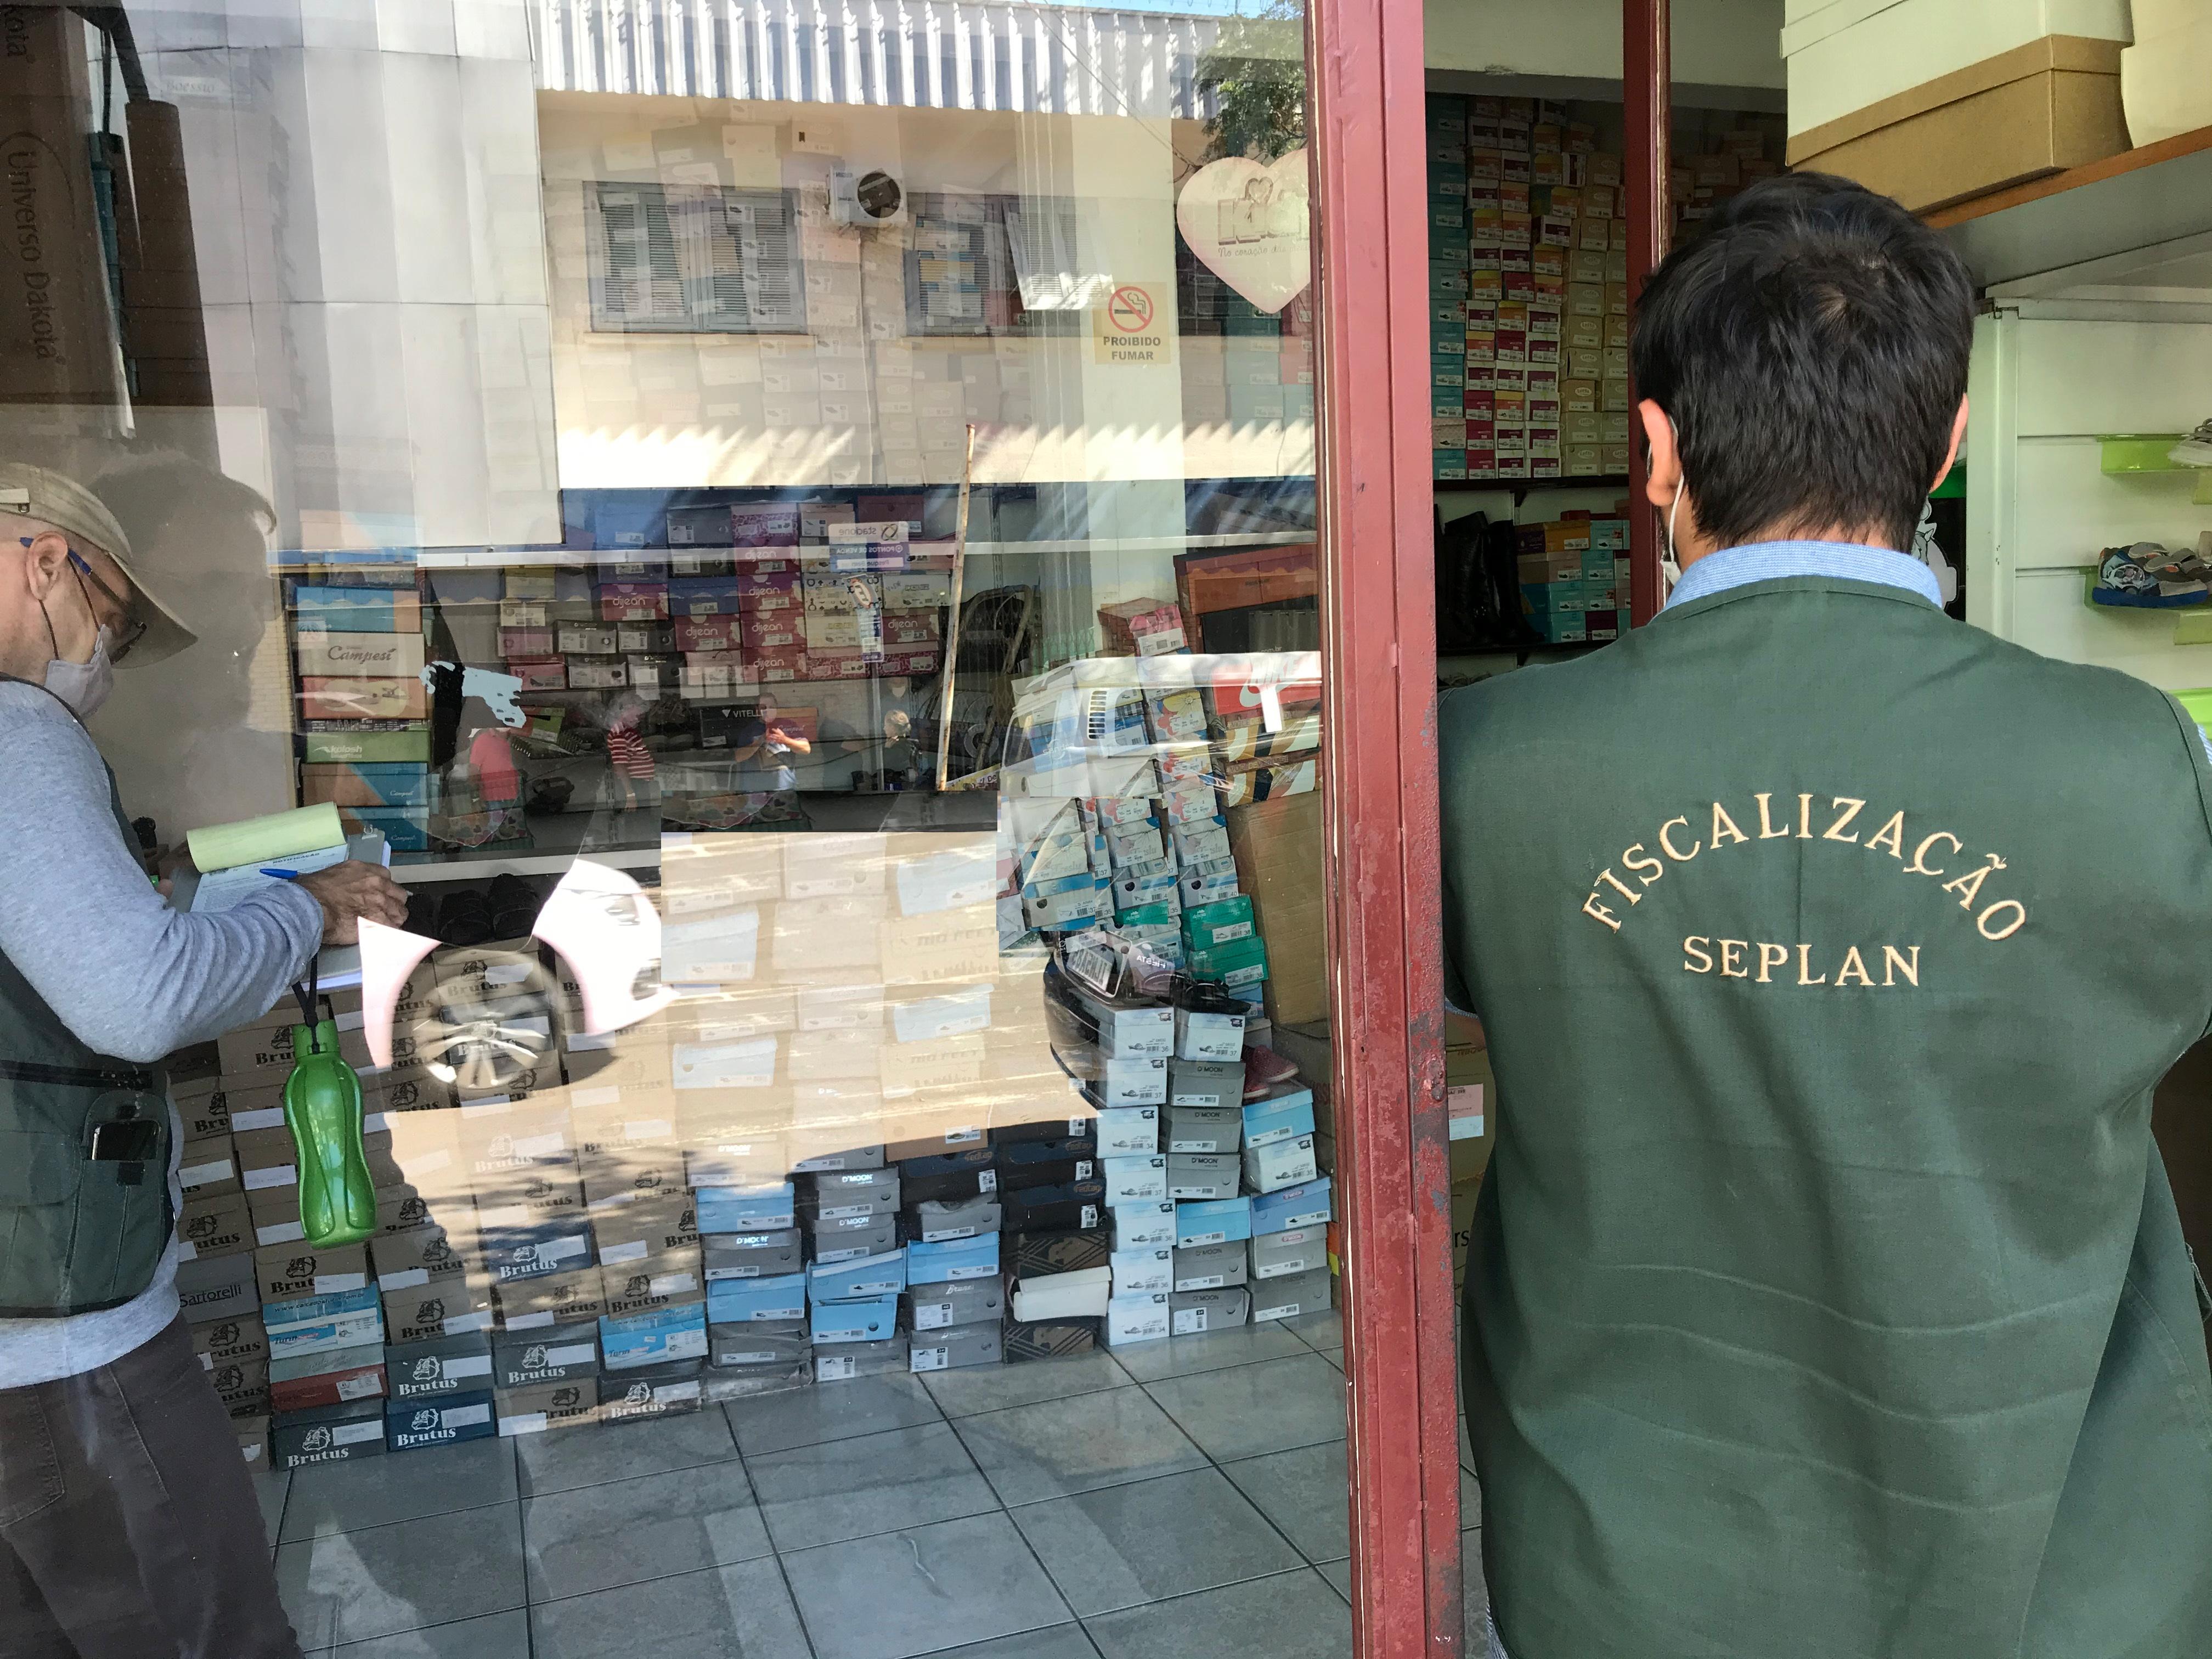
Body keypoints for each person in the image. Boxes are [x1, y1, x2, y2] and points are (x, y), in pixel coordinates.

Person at [1441, 173, 2212, 1659]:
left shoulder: (1483, 765)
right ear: (1948, 442)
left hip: (1629, 1559)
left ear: (1656, 451)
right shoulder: (2141, 760)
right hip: (2052, 1561)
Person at [0, 462, 408, 1657]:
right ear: (45, 563)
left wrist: (171, 881)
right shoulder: (18, 735)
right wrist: (307, 910)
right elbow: (141, 996)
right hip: (60, 1330)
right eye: (114, 620)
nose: (107, 659)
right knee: (202, 1628)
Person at [735, 691, 810, 792]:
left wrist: (785, 740)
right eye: (763, 708)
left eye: (771, 707)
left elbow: (806, 749)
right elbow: (739, 757)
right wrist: (761, 740)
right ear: (757, 710)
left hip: (785, 787)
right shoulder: (749, 730)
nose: (768, 710)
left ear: (777, 708)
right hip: (756, 788)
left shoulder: (789, 725)